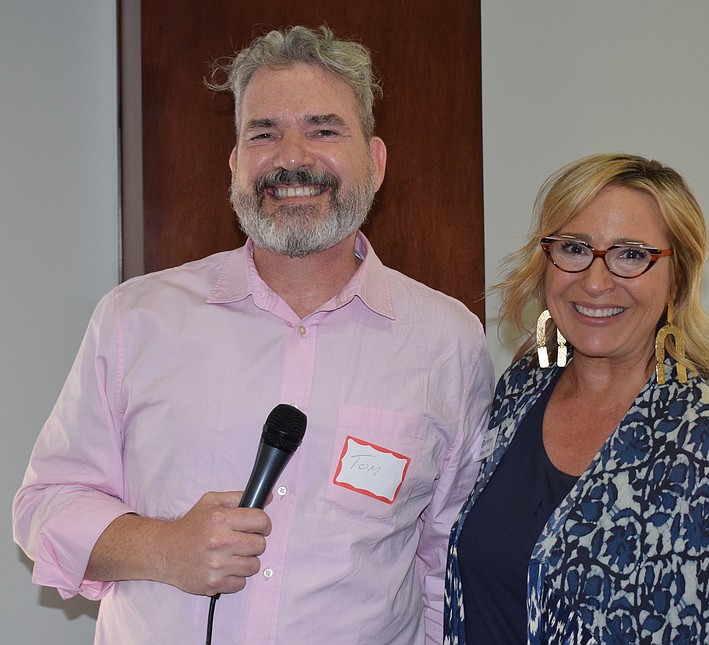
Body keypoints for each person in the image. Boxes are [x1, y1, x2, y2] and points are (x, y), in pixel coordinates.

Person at [13, 25, 493, 644]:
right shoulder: (136, 319)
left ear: (375, 162)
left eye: (324, 130)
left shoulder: (446, 341)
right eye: (264, 133)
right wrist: (165, 548)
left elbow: (446, 565)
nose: (292, 157)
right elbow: (44, 504)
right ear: (237, 164)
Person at [444, 153, 709, 644]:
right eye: (574, 248)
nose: (595, 280)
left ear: (678, 278)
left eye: (631, 255)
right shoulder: (519, 393)